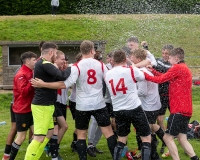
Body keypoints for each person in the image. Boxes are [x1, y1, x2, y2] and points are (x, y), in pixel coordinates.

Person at [31, 40, 117, 160]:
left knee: (81, 135)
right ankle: (116, 157)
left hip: (82, 106)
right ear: (92, 51)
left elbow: (64, 84)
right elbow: (110, 79)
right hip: (99, 104)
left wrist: (44, 84)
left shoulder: (77, 66)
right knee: (109, 133)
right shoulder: (101, 65)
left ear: (81, 52)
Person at [144, 47, 199, 160]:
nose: (168, 60)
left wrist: (144, 75)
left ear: (176, 58)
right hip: (186, 109)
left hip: (179, 110)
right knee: (181, 137)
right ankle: (195, 158)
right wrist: (153, 71)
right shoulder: (183, 67)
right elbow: (166, 77)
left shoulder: (177, 67)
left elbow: (160, 80)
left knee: (168, 138)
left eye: (169, 58)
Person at [24, 42, 71, 160]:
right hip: (42, 106)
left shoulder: (44, 64)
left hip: (47, 105)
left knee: (50, 133)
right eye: (55, 53)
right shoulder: (44, 63)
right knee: (39, 137)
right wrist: (72, 68)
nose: (56, 55)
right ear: (51, 52)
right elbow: (62, 75)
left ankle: (36, 155)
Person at [104, 49, 151, 160]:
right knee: (146, 138)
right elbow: (142, 77)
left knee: (121, 139)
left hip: (118, 110)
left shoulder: (107, 74)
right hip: (134, 107)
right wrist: (133, 65)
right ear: (126, 59)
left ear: (113, 61)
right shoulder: (131, 70)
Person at [130, 48, 165, 160]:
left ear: (139, 59)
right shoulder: (147, 68)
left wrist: (131, 92)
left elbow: (142, 92)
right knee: (150, 129)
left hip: (148, 106)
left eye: (133, 57)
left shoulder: (142, 72)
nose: (131, 59)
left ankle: (154, 155)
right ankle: (153, 152)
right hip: (154, 104)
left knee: (145, 133)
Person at [9, 51, 37, 160]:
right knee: (21, 137)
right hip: (22, 110)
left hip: (31, 109)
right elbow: (24, 92)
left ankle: (30, 156)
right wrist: (33, 82)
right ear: (28, 61)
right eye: (34, 60)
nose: (35, 61)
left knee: (38, 134)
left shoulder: (31, 71)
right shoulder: (21, 74)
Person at [153, 44, 174, 155]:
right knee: (159, 120)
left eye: (167, 53)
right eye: (163, 53)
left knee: (171, 119)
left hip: (169, 95)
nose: (164, 55)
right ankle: (163, 139)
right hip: (159, 95)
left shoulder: (173, 65)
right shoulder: (158, 61)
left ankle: (168, 140)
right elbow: (150, 61)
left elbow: (164, 75)